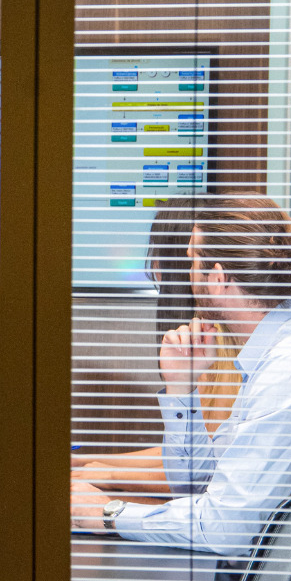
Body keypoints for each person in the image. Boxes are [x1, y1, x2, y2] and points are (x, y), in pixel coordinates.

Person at [71, 197, 291, 557]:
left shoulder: (289, 368)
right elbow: (197, 480)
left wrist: (108, 514)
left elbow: (225, 528)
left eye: (190, 261)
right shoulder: (273, 352)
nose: (183, 274)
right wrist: (182, 388)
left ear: (216, 279)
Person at [71, 204, 243, 495]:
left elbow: (210, 470)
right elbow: (194, 450)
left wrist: (107, 474)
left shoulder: (218, 340)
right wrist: (87, 462)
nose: (153, 270)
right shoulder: (200, 331)